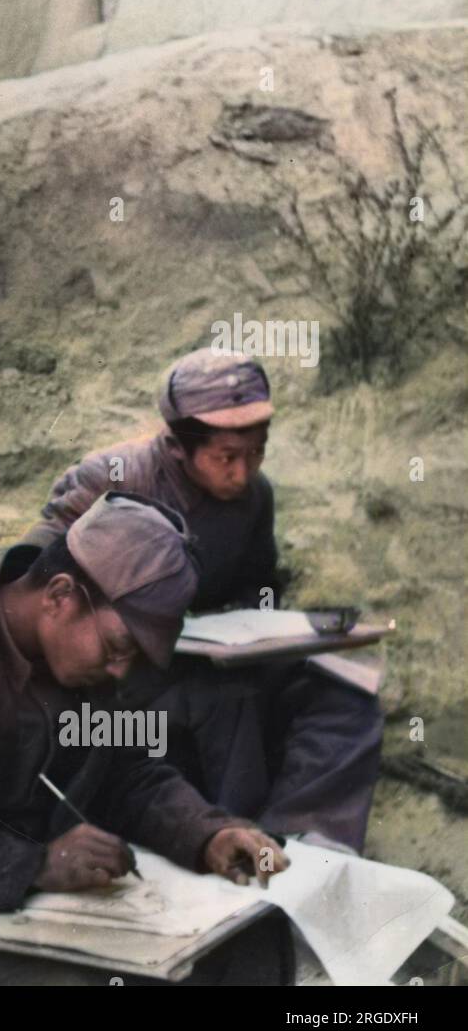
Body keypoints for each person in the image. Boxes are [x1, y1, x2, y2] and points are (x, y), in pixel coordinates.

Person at [0, 492, 294, 985]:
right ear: (60, 595)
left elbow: (126, 776)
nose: (121, 669)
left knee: (248, 939)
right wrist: (34, 864)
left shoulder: (91, 671)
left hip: (41, 916)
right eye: (116, 647)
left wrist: (206, 833)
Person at [21, 349, 382, 853]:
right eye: (225, 458)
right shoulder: (113, 478)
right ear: (179, 447)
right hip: (120, 669)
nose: (242, 472)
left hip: (215, 658)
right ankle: (233, 841)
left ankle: (307, 842)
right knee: (221, 701)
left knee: (345, 695)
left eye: (255, 453)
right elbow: (32, 582)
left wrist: (278, 630)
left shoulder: (256, 497)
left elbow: (258, 588)